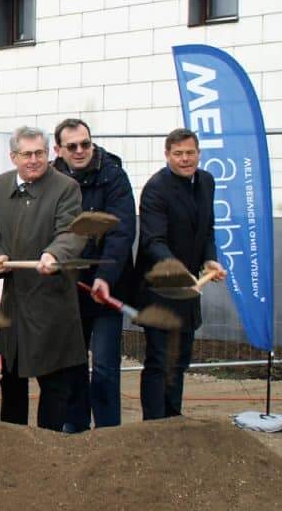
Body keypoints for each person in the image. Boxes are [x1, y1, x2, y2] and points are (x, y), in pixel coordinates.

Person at [0, 126, 87, 431]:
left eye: (40, 153)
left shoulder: (66, 187)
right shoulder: (0, 185)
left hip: (52, 299)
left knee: (55, 382)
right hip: (15, 300)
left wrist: (55, 254)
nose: (34, 160)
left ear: (49, 153)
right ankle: (12, 441)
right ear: (13, 156)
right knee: (12, 378)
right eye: (27, 154)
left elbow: (72, 230)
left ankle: (49, 447)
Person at [51, 118, 137, 432]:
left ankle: (108, 431)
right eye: (71, 146)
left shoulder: (113, 175)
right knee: (71, 364)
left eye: (85, 144)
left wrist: (106, 277)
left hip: (105, 288)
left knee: (104, 367)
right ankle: (74, 427)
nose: (80, 151)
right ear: (58, 148)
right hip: (67, 288)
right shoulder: (50, 178)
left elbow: (122, 230)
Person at [137, 128, 228, 420]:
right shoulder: (156, 188)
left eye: (190, 153)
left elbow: (207, 229)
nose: (185, 159)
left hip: (189, 291)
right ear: (167, 156)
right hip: (159, 290)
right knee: (160, 361)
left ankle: (173, 421)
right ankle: (154, 425)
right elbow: (153, 242)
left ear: (199, 153)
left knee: (179, 360)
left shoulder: (206, 182)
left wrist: (210, 260)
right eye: (178, 154)